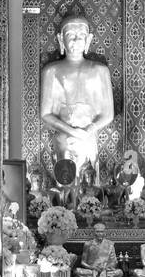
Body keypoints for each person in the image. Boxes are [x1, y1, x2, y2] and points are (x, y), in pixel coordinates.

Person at [40, 14, 115, 178]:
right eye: (70, 36)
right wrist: (71, 132)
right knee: (65, 180)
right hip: (63, 137)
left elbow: (108, 114)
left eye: (81, 36)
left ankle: (91, 201)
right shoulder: (51, 71)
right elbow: (45, 114)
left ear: (88, 39)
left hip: (88, 136)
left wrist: (88, 131)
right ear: (61, 39)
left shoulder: (99, 70)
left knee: (89, 183)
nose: (76, 40)